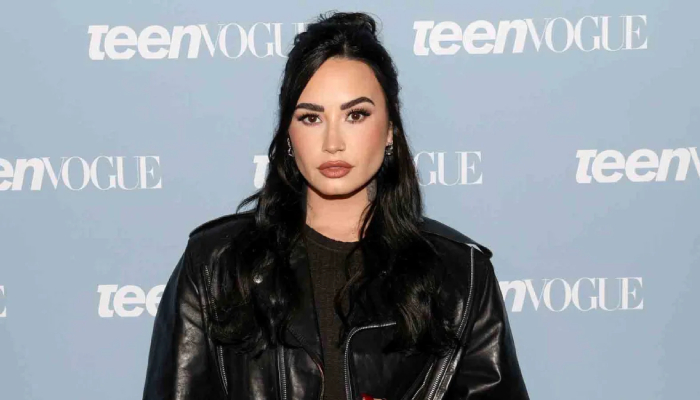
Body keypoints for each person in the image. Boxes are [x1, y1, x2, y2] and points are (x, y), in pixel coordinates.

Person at [142, 11, 529, 400]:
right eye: (311, 118)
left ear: (390, 129)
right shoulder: (215, 265)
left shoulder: (461, 276)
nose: (333, 143)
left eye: (355, 115)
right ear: (288, 135)